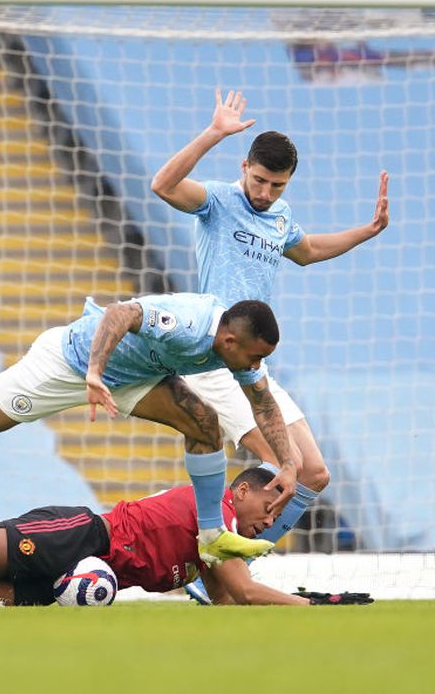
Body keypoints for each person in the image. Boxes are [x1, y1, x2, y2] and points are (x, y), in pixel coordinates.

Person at [0, 292, 296, 566]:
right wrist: (92, 373)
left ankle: (211, 534)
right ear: (230, 339)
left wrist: (290, 463)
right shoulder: (190, 326)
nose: (255, 366)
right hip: (71, 362)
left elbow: (264, 403)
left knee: (204, 423)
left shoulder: (235, 349)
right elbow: (121, 313)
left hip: (132, 377)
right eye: (254, 356)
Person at [150, 90, 389, 599]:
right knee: (283, 468)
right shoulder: (219, 200)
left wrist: (368, 231)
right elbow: (163, 185)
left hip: (252, 366)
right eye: (258, 180)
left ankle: (228, 568)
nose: (264, 192)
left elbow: (308, 250)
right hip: (214, 358)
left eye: (275, 185)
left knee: (314, 475)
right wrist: (214, 131)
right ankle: (216, 573)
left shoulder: (280, 218)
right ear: (245, 167)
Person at [0, 421, 372, 607]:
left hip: (78, 583)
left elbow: (231, 598)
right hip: (82, 535)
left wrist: (315, 600)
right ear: (243, 490)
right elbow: (245, 590)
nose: (268, 520)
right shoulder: (219, 518)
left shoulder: (219, 544)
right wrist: (310, 605)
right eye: (267, 506)